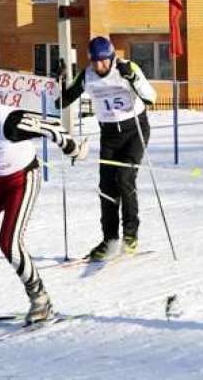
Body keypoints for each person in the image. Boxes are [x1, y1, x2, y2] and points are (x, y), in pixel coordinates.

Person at [0, 78, 89, 325]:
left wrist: (73, 149)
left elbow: (52, 127)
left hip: (20, 180)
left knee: (9, 243)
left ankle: (40, 299)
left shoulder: (8, 122)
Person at [58, 36, 157, 261]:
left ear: (111, 58)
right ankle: (109, 240)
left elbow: (151, 97)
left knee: (124, 179)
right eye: (95, 61)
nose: (99, 66)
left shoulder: (127, 68)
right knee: (106, 188)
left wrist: (133, 78)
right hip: (110, 134)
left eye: (104, 61)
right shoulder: (87, 76)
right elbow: (62, 102)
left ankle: (130, 235)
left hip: (134, 130)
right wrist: (58, 82)